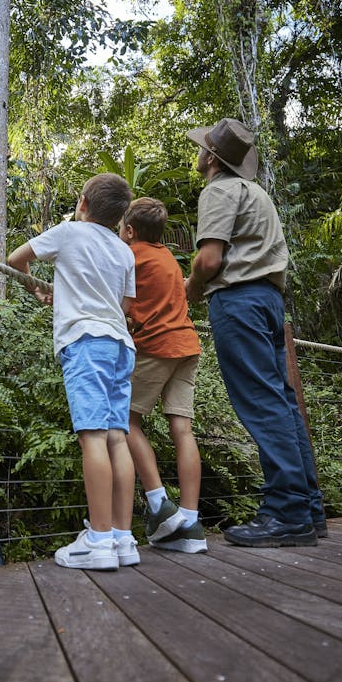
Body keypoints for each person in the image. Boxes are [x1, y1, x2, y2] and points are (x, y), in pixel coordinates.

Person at [183, 118, 327, 547]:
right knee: (281, 402)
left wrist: (189, 291)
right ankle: (307, 510)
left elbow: (209, 260)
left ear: (211, 157)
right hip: (269, 302)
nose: (199, 152)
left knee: (263, 404)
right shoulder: (256, 193)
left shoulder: (219, 191)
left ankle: (286, 512)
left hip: (239, 302)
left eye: (203, 147)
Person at [7, 173, 140, 570]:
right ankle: (122, 537)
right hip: (120, 345)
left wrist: (37, 290)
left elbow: (16, 258)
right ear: (119, 218)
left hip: (85, 342)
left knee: (93, 437)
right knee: (118, 436)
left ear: (82, 203)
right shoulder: (124, 251)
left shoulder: (68, 233)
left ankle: (97, 542)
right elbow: (127, 305)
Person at [119, 197, 207, 554]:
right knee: (182, 428)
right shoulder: (169, 257)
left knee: (126, 419)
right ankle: (190, 522)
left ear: (129, 230)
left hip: (158, 347)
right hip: (187, 345)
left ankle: (158, 503)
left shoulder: (131, 255)